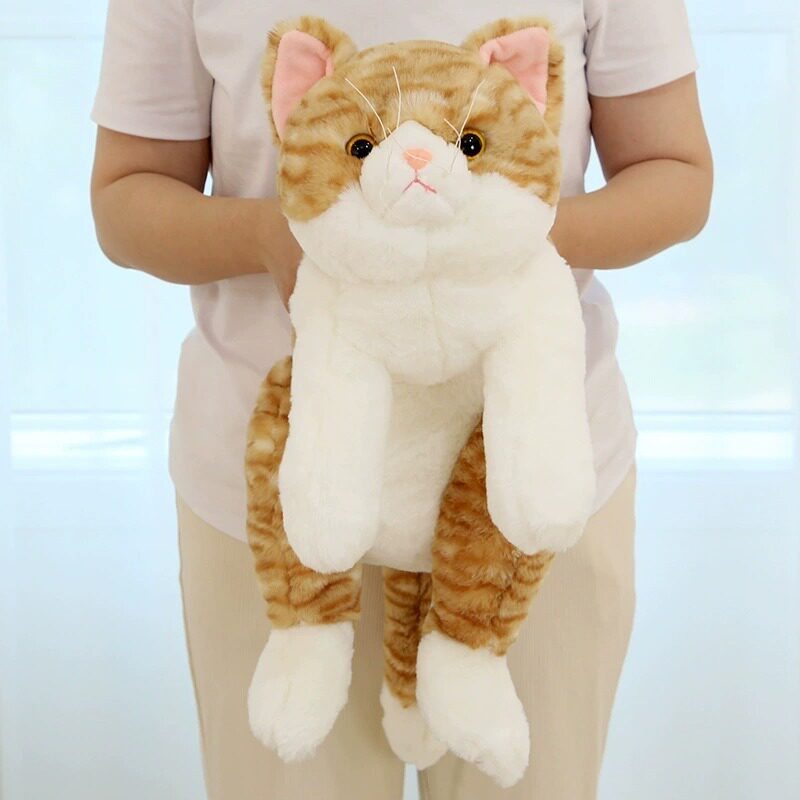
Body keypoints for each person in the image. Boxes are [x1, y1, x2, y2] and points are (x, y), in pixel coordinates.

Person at [89, 1, 713, 798]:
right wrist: (279, 235)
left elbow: (675, 172)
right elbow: (126, 195)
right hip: (277, 497)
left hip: (527, 481)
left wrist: (501, 234)